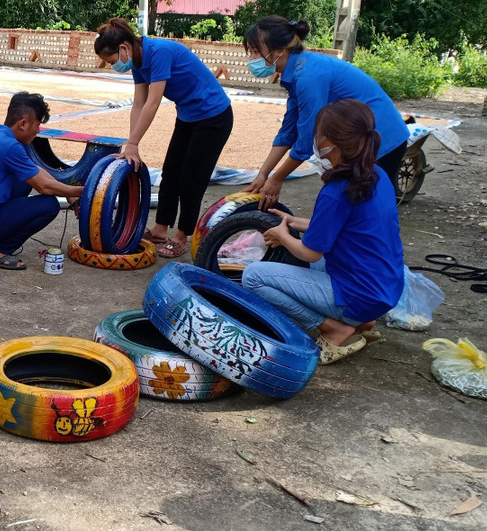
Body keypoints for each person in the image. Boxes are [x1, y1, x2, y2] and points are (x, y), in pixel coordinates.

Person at [242, 99, 405, 365]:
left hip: (359, 293)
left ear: (332, 142)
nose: (316, 142)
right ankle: (363, 321)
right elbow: (351, 227)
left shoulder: (336, 190)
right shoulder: (375, 174)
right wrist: (294, 223)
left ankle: (332, 327)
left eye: (318, 136)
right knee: (317, 249)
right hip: (385, 288)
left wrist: (282, 236)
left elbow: (311, 253)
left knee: (253, 277)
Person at [94, 18, 234, 259]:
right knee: (171, 172)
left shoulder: (159, 52)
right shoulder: (138, 62)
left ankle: (181, 235)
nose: (111, 66)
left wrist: (135, 143)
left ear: (124, 48)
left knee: (192, 179)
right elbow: (138, 103)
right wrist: (131, 144)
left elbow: (153, 102)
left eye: (111, 61)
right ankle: (160, 228)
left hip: (214, 117)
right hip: (188, 116)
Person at [242, 16, 410, 210]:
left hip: (383, 139)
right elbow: (289, 130)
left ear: (280, 50)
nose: (252, 59)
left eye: (256, 52)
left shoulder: (308, 76)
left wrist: (277, 179)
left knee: (365, 210)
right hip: (359, 139)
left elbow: (305, 140)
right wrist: (264, 173)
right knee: (349, 207)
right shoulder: (298, 70)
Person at [0, 92, 83, 270]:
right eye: (37, 125)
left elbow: (37, 173)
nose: (38, 131)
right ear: (23, 124)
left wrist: (69, 195)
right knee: (49, 205)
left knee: (27, 178)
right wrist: (82, 192)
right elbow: (44, 187)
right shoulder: (10, 147)